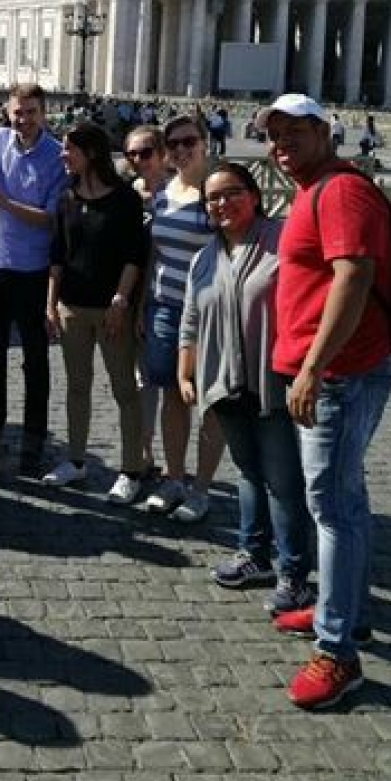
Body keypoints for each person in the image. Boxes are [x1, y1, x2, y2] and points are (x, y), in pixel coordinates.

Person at [259, 93, 391, 710]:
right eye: (272, 136)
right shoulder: (318, 189)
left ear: (323, 131)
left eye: (292, 134)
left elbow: (354, 275)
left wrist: (311, 368)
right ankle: (349, 609)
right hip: (333, 370)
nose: (279, 146)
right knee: (348, 499)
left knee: (332, 506)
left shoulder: (340, 191)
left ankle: (338, 652)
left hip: (339, 374)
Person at [178, 162, 312, 611]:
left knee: (283, 481)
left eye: (231, 192)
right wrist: (185, 371)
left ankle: (295, 574)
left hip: (271, 380)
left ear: (254, 195)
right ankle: (254, 554)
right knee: (248, 473)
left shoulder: (280, 239)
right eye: (212, 198)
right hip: (222, 380)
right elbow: (191, 318)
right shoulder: (204, 256)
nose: (221, 203)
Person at [44, 123, 148, 502]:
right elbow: (57, 256)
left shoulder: (124, 199)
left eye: (68, 149)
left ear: (90, 153)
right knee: (76, 387)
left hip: (111, 310)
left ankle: (131, 470)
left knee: (124, 390)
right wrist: (51, 304)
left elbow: (134, 256)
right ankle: (75, 460)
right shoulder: (66, 198)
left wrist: (121, 301)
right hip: (72, 306)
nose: (62, 155)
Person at [142, 113, 225, 523]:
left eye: (188, 141)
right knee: (173, 396)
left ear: (205, 142)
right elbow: (154, 253)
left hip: (211, 311)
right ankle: (174, 477)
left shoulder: (218, 191)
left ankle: (202, 487)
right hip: (164, 306)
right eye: (172, 145)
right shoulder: (162, 192)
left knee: (209, 396)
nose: (180, 150)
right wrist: (144, 303)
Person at [0, 82, 68, 473]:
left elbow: (51, 219)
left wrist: (3, 201)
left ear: (44, 112)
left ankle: (34, 434)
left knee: (35, 359)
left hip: (33, 270)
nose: (24, 120)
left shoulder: (56, 156)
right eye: (18, 112)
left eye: (32, 112)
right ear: (7, 111)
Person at [123, 124, 172, 474]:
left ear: (162, 154)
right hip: (129, 294)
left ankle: (165, 457)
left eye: (146, 153)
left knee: (159, 378)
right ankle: (142, 449)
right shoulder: (129, 191)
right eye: (132, 154)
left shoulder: (179, 193)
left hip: (163, 295)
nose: (138, 160)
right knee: (137, 377)